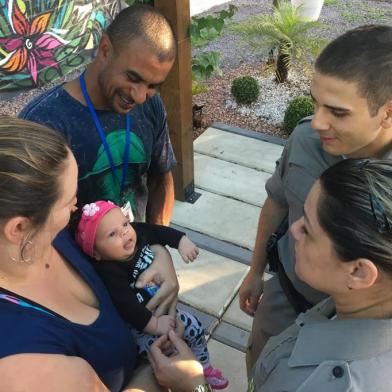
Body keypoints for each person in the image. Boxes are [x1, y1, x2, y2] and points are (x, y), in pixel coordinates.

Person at [149, 158, 392, 391]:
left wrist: (195, 386)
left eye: (307, 228)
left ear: (359, 272)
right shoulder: (350, 304)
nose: (293, 230)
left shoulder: (319, 383)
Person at [239, 24, 392, 374]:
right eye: (315, 103)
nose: (318, 121)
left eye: (337, 112)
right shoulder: (307, 139)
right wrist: (255, 270)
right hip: (287, 298)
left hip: (356, 341)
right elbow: (277, 202)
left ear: (387, 112)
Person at [0, 116, 179, 392]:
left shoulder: (56, 234)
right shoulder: (24, 366)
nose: (77, 208)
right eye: (69, 201)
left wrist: (157, 253)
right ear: (20, 227)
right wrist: (171, 378)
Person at [19, 4, 177, 225]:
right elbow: (30, 226)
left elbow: (161, 179)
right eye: (133, 78)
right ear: (105, 49)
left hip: (138, 252)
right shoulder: (44, 123)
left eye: (153, 85)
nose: (140, 96)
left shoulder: (151, 105)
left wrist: (157, 242)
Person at [74, 200, 229, 390]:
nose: (124, 233)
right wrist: (154, 325)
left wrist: (181, 241)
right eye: (112, 234)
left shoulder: (137, 233)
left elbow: (158, 232)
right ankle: (180, 380)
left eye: (124, 224)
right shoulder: (110, 271)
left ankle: (204, 368)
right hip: (142, 325)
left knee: (195, 328)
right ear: (96, 253)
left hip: (165, 311)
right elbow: (127, 306)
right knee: (163, 352)